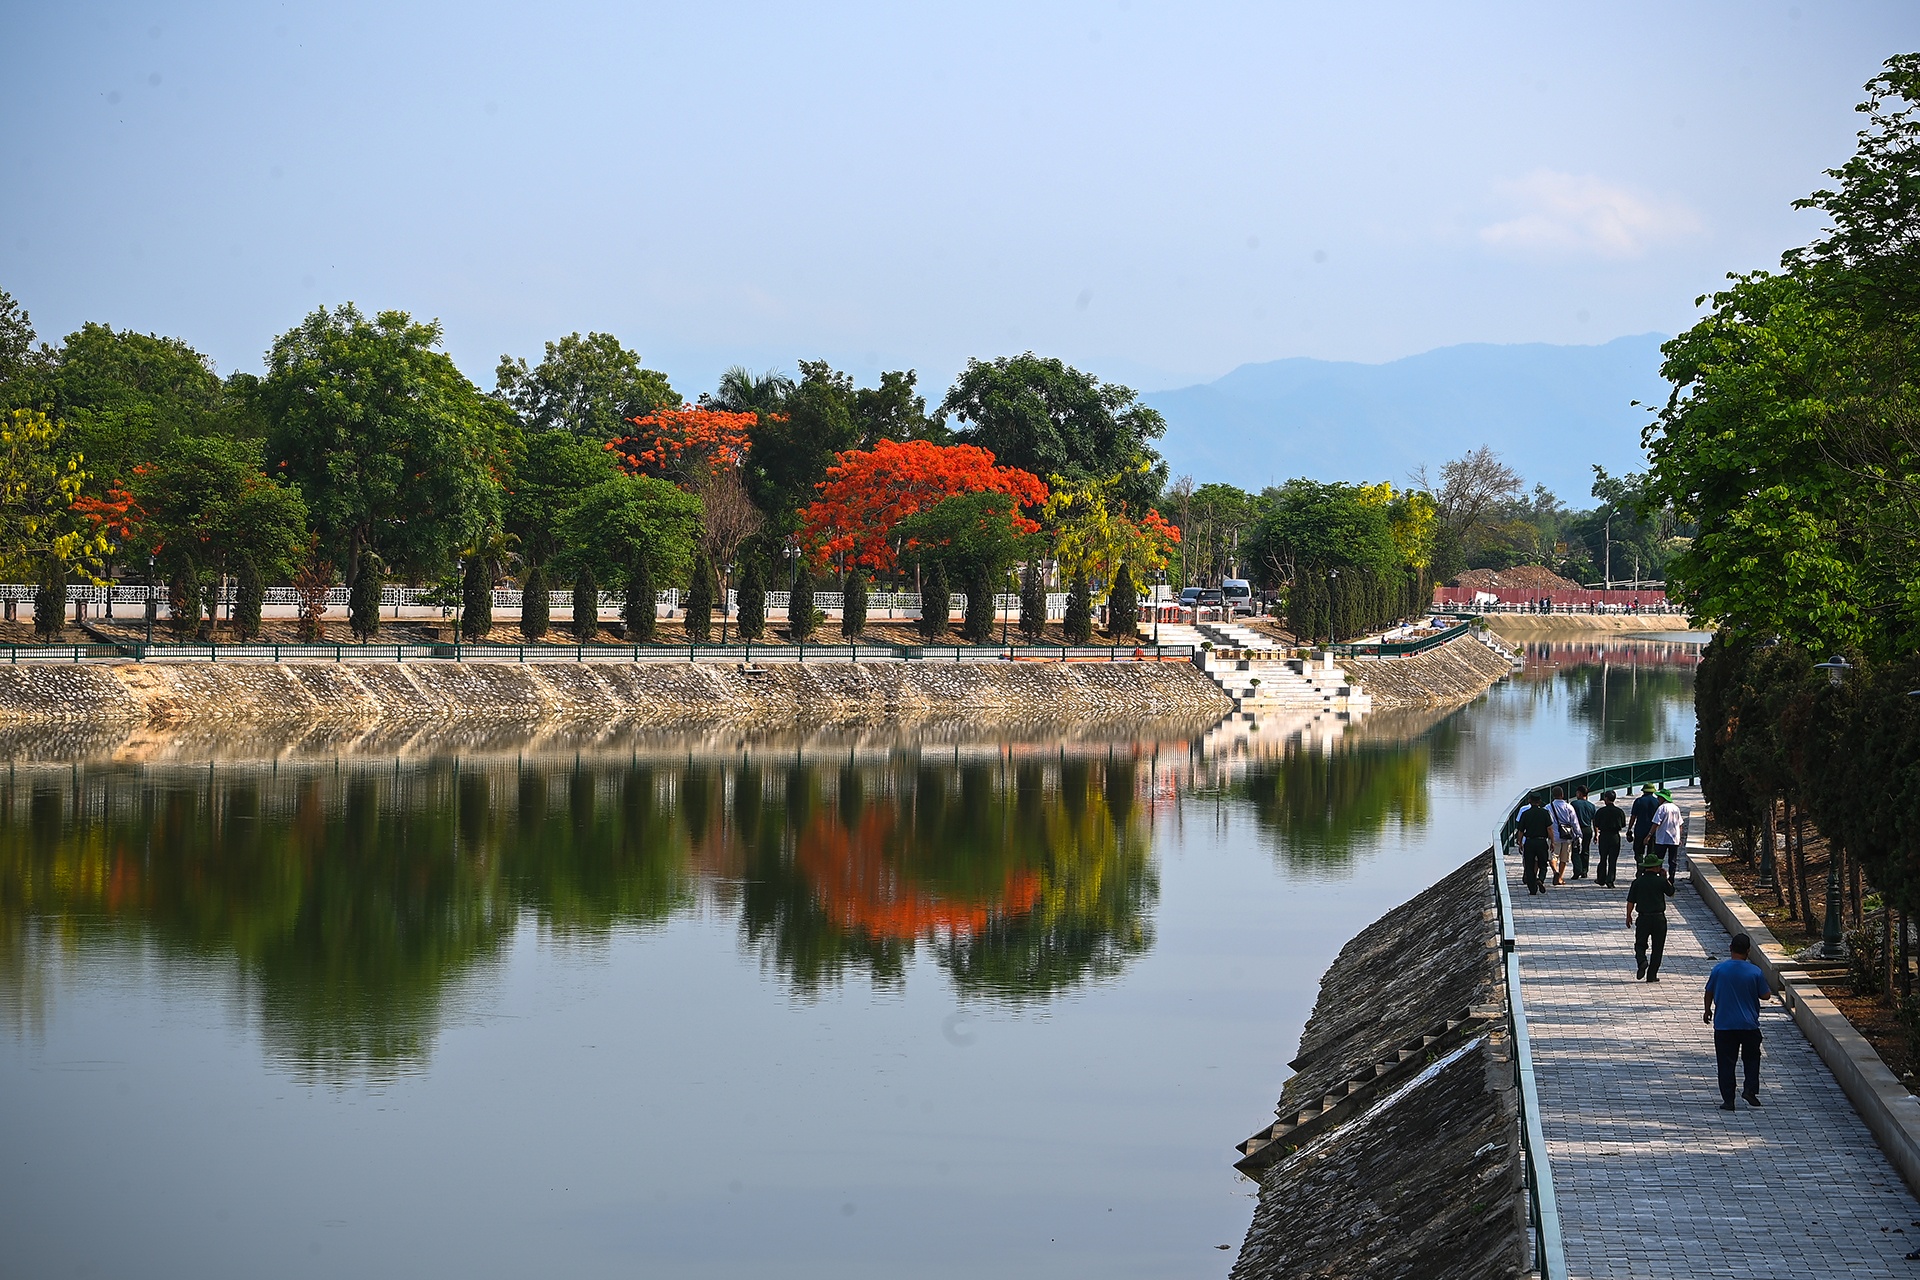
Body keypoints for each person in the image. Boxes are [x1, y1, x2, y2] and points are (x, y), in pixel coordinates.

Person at [1704, 933, 1775, 1110]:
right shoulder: (1755, 971)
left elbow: (1708, 992)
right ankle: (1750, 1089)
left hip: (1724, 1025)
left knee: (1726, 1062)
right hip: (1749, 1025)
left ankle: (1728, 1100)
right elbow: (1766, 995)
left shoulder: (1719, 970)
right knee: (1752, 1058)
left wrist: (1707, 1010)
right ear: (1748, 951)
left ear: (1730, 949)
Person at [1625, 851, 1675, 980]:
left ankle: (1642, 961)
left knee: (1640, 944)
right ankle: (1652, 975)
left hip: (1643, 917)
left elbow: (1631, 901)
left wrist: (1628, 915)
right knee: (1658, 947)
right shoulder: (1660, 881)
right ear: (1656, 867)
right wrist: (1665, 878)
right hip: (1659, 918)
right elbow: (1671, 893)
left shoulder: (1637, 882)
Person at [1515, 791, 1554, 895]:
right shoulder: (1545, 813)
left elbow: (1521, 831)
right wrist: (1552, 842)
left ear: (1529, 801)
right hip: (1542, 841)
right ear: (1540, 801)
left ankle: (1532, 889)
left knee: (1529, 865)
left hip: (1530, 842)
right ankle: (1540, 879)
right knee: (1543, 864)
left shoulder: (1525, 814)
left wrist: (1520, 843)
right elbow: (1549, 828)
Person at [1593, 789, 1628, 887]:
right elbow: (1623, 824)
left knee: (1603, 858)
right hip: (1615, 836)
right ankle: (1610, 880)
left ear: (1606, 799)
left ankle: (1601, 879)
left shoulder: (1601, 811)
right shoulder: (1619, 811)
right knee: (1613, 860)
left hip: (1604, 835)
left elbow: (1596, 823)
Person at [1547, 786, 1580, 886]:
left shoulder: (1548, 807)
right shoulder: (1568, 807)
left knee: (1552, 856)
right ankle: (1560, 878)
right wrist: (1578, 834)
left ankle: (1555, 872)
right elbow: (1574, 822)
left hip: (1553, 836)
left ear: (1552, 795)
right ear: (1562, 795)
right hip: (1567, 836)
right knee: (1564, 858)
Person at [1652, 788, 1686, 883]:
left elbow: (1656, 823)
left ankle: (1659, 877)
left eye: (1659, 797)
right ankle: (1671, 878)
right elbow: (1680, 824)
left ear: (1663, 798)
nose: (1658, 799)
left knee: (1659, 859)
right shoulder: (1676, 808)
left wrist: (1649, 835)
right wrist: (1679, 837)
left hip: (1662, 838)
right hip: (1674, 839)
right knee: (1673, 860)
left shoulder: (1661, 808)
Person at [1570, 784, 1598, 880]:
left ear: (1580, 793)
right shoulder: (1592, 806)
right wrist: (1596, 834)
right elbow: (1595, 821)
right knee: (1585, 850)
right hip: (1587, 829)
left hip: (1576, 829)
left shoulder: (1574, 804)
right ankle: (1584, 871)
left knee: (1575, 850)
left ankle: (1577, 870)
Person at [1628, 783, 1661, 864]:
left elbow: (1633, 817)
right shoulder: (1657, 802)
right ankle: (1649, 869)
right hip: (1652, 831)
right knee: (1651, 852)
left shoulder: (1638, 801)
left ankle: (1640, 868)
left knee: (1638, 852)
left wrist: (1629, 828)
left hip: (1640, 829)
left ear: (1643, 791)